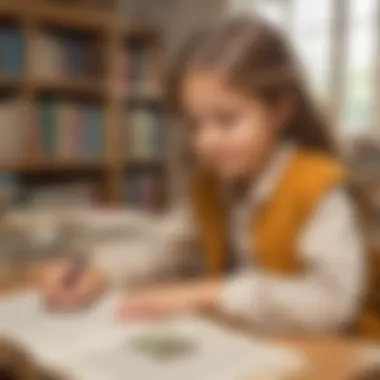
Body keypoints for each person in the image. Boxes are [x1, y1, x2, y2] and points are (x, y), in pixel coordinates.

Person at [41, 16, 376, 336]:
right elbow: (162, 248)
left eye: (227, 120)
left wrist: (207, 293)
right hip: (258, 343)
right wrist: (98, 272)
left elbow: (332, 303)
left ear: (280, 109)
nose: (205, 142)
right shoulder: (212, 186)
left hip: (336, 355)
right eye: (194, 124)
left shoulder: (317, 188)